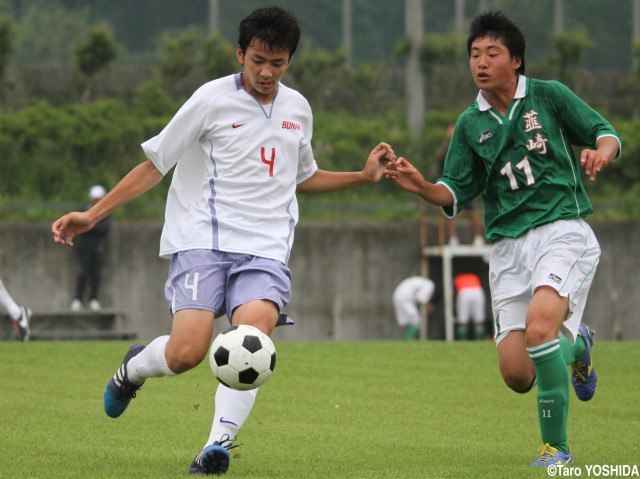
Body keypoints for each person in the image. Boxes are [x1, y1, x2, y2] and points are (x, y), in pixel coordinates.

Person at [52, 6, 393, 476]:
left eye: (277, 63)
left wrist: (361, 176)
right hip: (203, 241)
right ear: (240, 54)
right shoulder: (210, 100)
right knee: (186, 353)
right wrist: (93, 214)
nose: (266, 72)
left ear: (290, 60)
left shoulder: (298, 108)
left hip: (267, 249)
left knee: (251, 341)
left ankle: (218, 445)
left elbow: (303, 176)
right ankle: (131, 370)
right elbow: (156, 164)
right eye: (257, 60)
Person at [385, 10, 620, 467]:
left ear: (516, 60)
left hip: (562, 231)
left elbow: (604, 132)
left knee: (538, 329)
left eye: (492, 53)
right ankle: (578, 346)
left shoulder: (548, 97)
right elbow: (452, 189)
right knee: (517, 373)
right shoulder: (470, 124)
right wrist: (420, 185)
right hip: (508, 248)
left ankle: (557, 449)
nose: (481, 62)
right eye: (475, 54)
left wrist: (601, 153)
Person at [437, 124, 484, 247]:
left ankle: (478, 237)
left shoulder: (465, 147)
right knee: (449, 214)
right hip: (449, 187)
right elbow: (440, 171)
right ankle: (453, 238)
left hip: (464, 186)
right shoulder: (443, 152)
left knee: (471, 212)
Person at [70, 185, 111, 311]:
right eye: (95, 199)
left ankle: (94, 298)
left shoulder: (105, 213)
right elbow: (77, 227)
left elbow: (103, 229)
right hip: (84, 249)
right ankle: (78, 298)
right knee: (83, 273)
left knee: (96, 274)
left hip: (98, 249)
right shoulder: (84, 210)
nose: (96, 202)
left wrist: (88, 226)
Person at [453, 273, 486, 340]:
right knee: (479, 319)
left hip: (464, 291)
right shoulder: (474, 276)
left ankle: (462, 341)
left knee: (462, 319)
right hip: (478, 291)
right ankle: (479, 341)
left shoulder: (457, 277)